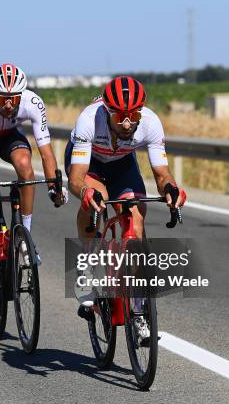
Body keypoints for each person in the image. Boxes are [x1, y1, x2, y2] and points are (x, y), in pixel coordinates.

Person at [65, 76, 186, 337]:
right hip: (90, 163)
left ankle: (140, 310)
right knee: (97, 198)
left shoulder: (151, 123)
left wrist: (171, 191)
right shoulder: (89, 119)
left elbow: (162, 173)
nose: (128, 122)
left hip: (122, 163)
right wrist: (86, 192)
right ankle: (86, 265)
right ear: (108, 111)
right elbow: (75, 179)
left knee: (136, 221)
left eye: (133, 115)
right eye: (120, 116)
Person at [0, 63, 68, 326]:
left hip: (8, 138)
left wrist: (55, 184)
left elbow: (45, 151)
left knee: (25, 168)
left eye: (14, 99)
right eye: (3, 99)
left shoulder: (32, 102)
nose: (9, 105)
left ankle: (25, 238)